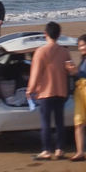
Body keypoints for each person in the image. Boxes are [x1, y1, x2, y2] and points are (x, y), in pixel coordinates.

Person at [28, 21, 71, 160]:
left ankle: (46, 150)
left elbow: (36, 73)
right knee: (59, 122)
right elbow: (69, 70)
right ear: (58, 35)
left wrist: (30, 89)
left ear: (45, 34)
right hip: (61, 91)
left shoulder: (40, 52)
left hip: (45, 92)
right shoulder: (65, 51)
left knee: (46, 122)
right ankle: (60, 150)